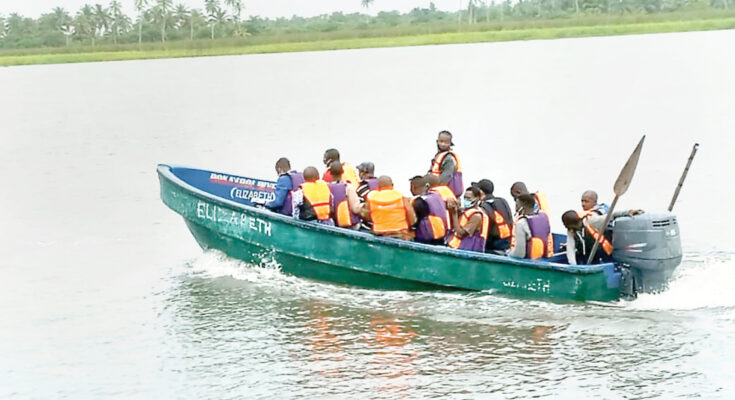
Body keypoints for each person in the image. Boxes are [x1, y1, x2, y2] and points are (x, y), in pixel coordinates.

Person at [561, 208, 644, 265]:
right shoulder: (571, 231)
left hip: (601, 254)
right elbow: (570, 249)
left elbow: (610, 216)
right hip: (587, 257)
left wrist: (627, 212)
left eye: (567, 226)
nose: (568, 229)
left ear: (575, 223)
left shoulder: (591, 221)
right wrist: (573, 266)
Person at [364, 176, 416, 240]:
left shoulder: (371, 198)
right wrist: (411, 226)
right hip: (400, 232)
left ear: (378, 187)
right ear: (392, 185)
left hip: (380, 233)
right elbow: (410, 212)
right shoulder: (400, 196)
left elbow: (366, 214)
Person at [474, 179, 514, 253]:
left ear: (481, 192)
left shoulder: (484, 206)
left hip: (494, 245)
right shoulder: (502, 201)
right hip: (508, 242)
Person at [509, 194, 553, 260]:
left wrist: (508, 254)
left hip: (528, 261)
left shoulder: (521, 224)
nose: (516, 208)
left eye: (517, 205)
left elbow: (519, 254)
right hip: (543, 258)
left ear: (523, 206)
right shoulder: (544, 216)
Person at [447, 185, 489, 253]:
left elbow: (461, 233)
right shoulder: (466, 211)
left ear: (477, 198)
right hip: (458, 248)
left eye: (468, 198)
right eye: (465, 198)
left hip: (469, 250)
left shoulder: (477, 216)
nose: (466, 200)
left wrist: (454, 214)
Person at [409, 175, 448, 245]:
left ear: (413, 187)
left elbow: (413, 221)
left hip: (425, 238)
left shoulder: (419, 201)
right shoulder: (438, 196)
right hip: (441, 236)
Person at [327, 162, 362, 229]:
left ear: (330, 173)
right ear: (342, 172)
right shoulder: (348, 187)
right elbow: (355, 209)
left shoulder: (326, 188)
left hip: (333, 224)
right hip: (349, 226)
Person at [428, 130, 463, 197]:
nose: (443, 144)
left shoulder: (449, 158)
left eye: (446, 142)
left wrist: (432, 188)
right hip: (438, 190)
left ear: (450, 144)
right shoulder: (438, 156)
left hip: (445, 193)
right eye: (441, 141)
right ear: (437, 141)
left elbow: (446, 177)